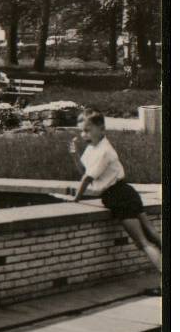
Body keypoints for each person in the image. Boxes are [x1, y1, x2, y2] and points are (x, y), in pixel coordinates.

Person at [69, 109, 161, 286]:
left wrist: (76, 199)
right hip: (126, 192)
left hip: (118, 196)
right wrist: (74, 156)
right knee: (152, 234)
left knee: (143, 242)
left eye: (88, 130)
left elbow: (87, 178)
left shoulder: (103, 150)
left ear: (101, 129)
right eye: (81, 131)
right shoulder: (92, 148)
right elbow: (84, 171)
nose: (83, 135)